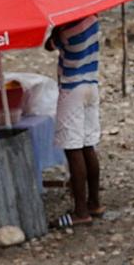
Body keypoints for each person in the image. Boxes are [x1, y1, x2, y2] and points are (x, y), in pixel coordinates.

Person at [47, 15, 102, 226]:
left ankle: (80, 211)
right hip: (91, 84)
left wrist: (56, 25)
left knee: (73, 148)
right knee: (89, 145)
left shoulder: (66, 30)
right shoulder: (92, 20)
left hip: (72, 88)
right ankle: (94, 202)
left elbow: (48, 45)